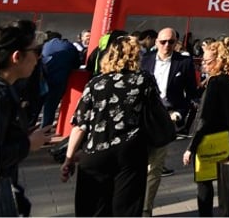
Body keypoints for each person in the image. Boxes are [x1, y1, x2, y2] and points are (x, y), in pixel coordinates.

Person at [59, 35, 161, 216]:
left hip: (95, 152)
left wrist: (68, 159)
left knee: (92, 208)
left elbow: (80, 125)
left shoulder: (95, 83)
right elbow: (155, 114)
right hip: (130, 153)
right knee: (126, 208)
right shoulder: (144, 80)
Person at [0, 21, 52, 216]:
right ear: (16, 57)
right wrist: (28, 143)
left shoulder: (6, 89)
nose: (38, 58)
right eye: (36, 51)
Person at [179, 41, 229, 216]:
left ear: (220, 61)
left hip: (210, 139)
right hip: (228, 136)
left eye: (207, 61)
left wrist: (191, 147)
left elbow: (204, 117)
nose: (204, 65)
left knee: (204, 182)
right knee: (225, 181)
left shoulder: (214, 82)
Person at [142, 27, 198, 216]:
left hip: (166, 118)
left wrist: (180, 113)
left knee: (154, 168)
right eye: (163, 41)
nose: (167, 45)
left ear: (177, 43)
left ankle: (145, 210)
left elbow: (190, 93)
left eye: (171, 42)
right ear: (156, 41)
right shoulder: (145, 60)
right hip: (143, 117)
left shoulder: (184, 62)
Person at [40, 31, 81, 128]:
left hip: (42, 78)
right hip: (58, 79)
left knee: (35, 105)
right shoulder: (69, 46)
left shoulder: (45, 45)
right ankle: (45, 131)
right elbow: (76, 64)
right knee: (50, 107)